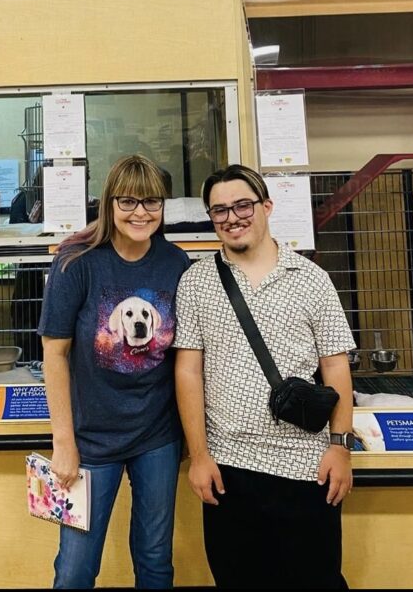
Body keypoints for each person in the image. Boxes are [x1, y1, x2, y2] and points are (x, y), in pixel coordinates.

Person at [174, 164, 355, 590]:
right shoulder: (196, 282)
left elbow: (335, 365)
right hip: (229, 467)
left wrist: (340, 447)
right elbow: (188, 370)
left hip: (307, 467)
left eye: (242, 205)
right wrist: (199, 456)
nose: (232, 217)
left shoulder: (311, 279)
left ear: (266, 206)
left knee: (317, 580)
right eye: (219, 210)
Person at [37, 154, 190, 589]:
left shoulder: (176, 264)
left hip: (157, 436)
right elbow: (54, 353)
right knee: (75, 569)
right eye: (128, 201)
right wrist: (63, 443)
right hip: (91, 441)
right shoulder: (76, 262)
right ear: (109, 203)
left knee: (155, 559)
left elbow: (187, 359)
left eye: (152, 202)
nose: (140, 212)